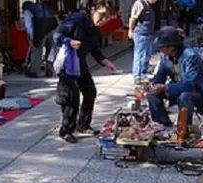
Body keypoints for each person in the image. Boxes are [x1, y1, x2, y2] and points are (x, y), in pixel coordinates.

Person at [49, 4, 117, 143]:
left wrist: (104, 61)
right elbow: (57, 35)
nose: (103, 20)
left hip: (79, 62)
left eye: (107, 18)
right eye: (102, 15)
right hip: (65, 61)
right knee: (71, 96)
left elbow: (94, 49)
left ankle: (83, 125)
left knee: (90, 91)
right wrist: (69, 41)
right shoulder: (78, 19)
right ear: (93, 10)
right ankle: (66, 130)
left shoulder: (96, 30)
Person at [147, 26, 203, 132]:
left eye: (162, 47)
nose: (160, 50)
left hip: (200, 93)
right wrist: (153, 85)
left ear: (172, 47)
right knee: (152, 95)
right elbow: (160, 76)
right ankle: (164, 124)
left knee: (185, 96)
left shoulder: (190, 56)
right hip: (178, 90)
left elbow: (190, 84)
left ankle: (183, 128)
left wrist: (165, 87)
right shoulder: (165, 58)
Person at [23, 0, 59, 78]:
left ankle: (34, 71)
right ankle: (50, 71)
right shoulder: (41, 7)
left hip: (41, 29)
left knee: (36, 50)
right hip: (52, 27)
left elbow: (28, 25)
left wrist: (32, 38)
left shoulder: (28, 10)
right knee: (51, 51)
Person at [128, 0, 158, 84]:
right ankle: (137, 76)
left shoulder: (150, 5)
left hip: (149, 34)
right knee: (140, 55)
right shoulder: (140, 3)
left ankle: (143, 74)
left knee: (147, 55)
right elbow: (133, 18)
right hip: (140, 34)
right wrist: (130, 30)